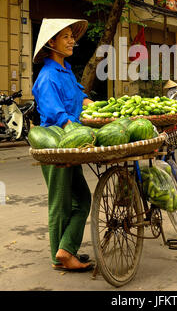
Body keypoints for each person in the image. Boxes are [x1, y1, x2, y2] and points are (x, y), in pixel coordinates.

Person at [32, 18, 94, 272]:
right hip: (56, 145)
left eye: (72, 36)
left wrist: (111, 111)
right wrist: (82, 133)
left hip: (73, 145)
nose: (72, 41)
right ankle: (62, 256)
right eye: (65, 36)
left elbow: (83, 100)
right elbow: (58, 115)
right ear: (51, 42)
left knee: (81, 199)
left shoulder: (66, 71)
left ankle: (65, 249)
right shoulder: (46, 77)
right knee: (62, 202)